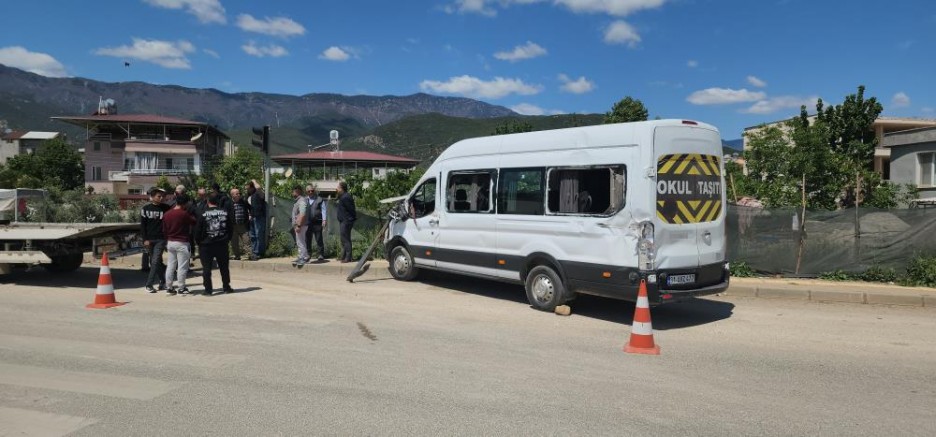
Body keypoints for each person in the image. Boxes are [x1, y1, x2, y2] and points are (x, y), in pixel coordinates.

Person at [194, 194, 234, 296]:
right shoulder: (225, 212)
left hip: (206, 245)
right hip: (222, 244)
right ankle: (226, 287)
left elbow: (198, 230)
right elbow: (230, 228)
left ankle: (208, 290)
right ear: (218, 202)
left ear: (208, 202)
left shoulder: (203, 213)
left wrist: (199, 242)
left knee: (206, 268)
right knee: (224, 267)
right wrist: (227, 239)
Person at [162, 193, 196, 295]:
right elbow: (194, 222)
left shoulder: (167, 214)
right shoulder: (184, 214)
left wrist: (166, 241)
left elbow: (164, 230)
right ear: (185, 203)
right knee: (182, 267)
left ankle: (169, 287)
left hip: (170, 242)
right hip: (182, 242)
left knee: (170, 266)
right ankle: (181, 288)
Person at [140, 187, 171, 292]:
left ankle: (149, 284)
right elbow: (143, 226)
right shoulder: (145, 208)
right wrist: (145, 239)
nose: (161, 198)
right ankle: (163, 282)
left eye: (163, 196)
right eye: (159, 196)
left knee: (154, 261)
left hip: (161, 239)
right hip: (149, 240)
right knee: (157, 262)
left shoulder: (166, 208)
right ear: (152, 197)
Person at [305, 185, 328, 262]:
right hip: (307, 223)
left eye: (312, 190)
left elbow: (323, 209)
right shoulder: (304, 200)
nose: (311, 192)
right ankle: (308, 254)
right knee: (307, 239)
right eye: (309, 191)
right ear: (306, 192)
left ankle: (320, 254)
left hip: (317, 222)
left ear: (314, 191)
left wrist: (324, 220)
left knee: (319, 238)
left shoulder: (319, 199)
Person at [335, 181, 357, 263]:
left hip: (346, 221)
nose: (336, 189)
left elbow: (351, 209)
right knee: (343, 239)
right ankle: (344, 256)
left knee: (345, 239)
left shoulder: (346, 197)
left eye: (338, 187)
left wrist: (351, 219)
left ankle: (348, 257)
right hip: (344, 220)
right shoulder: (342, 196)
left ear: (342, 188)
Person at [246, 180, 267, 260]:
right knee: (253, 236)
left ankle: (259, 253)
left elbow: (258, 187)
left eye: (248, 188)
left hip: (259, 217)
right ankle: (254, 252)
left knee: (259, 235)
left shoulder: (258, 193)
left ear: (252, 187)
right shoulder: (249, 196)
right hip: (252, 217)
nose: (247, 190)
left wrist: (254, 181)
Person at [229, 188, 250, 260]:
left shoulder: (243, 202)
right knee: (234, 242)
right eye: (237, 193)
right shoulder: (229, 203)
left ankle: (250, 255)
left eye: (239, 193)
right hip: (233, 226)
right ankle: (237, 256)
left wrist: (250, 215)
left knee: (246, 240)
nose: (239, 195)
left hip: (242, 225)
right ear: (232, 195)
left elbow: (250, 208)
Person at [290, 185, 309, 266]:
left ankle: (303, 258)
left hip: (301, 225)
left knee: (301, 242)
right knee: (300, 241)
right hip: (300, 225)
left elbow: (302, 214)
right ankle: (304, 256)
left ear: (297, 191)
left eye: (293, 191)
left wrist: (298, 225)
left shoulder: (301, 201)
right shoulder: (298, 201)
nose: (292, 193)